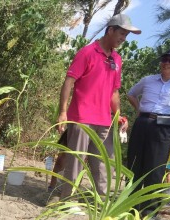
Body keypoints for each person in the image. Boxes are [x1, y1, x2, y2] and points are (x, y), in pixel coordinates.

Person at [56, 14, 139, 209]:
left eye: (126, 35)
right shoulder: (87, 52)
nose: (123, 38)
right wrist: (62, 112)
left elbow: (114, 91)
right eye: (121, 33)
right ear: (110, 30)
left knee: (103, 162)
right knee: (76, 160)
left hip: (104, 120)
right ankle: (67, 202)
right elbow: (69, 81)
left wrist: (118, 115)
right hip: (82, 117)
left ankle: (100, 202)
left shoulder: (117, 59)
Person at [126, 48, 170, 220]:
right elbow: (131, 94)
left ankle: (149, 210)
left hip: (164, 127)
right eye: (164, 59)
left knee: (155, 168)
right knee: (135, 164)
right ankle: (129, 205)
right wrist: (139, 110)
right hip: (143, 123)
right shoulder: (148, 80)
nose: (166, 63)